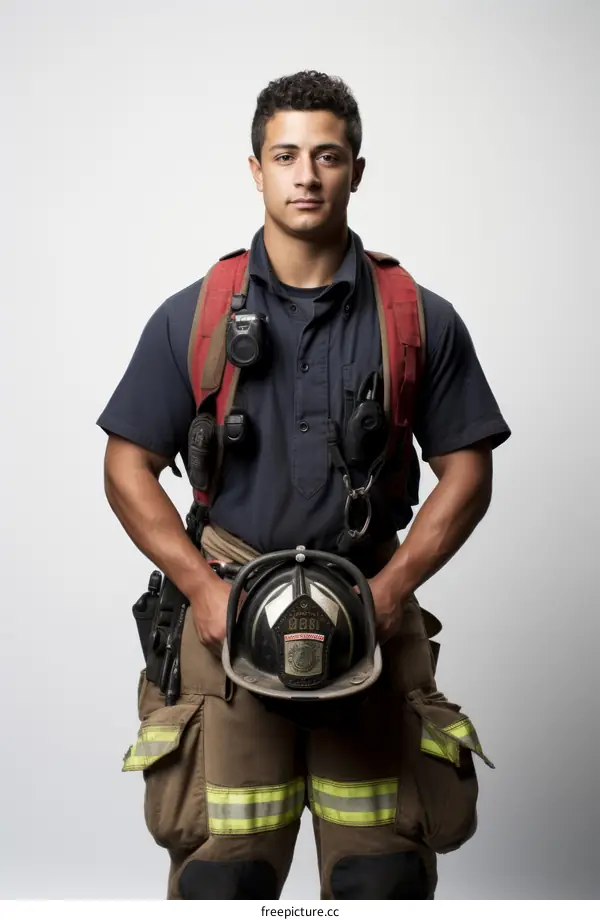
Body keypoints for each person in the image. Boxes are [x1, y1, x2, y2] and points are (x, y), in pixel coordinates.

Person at [98, 70, 511, 900]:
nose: (306, 175)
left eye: (328, 156)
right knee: (226, 878)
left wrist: (392, 591)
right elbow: (125, 466)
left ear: (358, 170)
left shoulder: (417, 319)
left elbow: (468, 470)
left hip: (369, 619)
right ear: (255, 168)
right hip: (225, 624)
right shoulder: (194, 316)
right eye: (285, 155)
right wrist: (198, 590)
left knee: (382, 877)